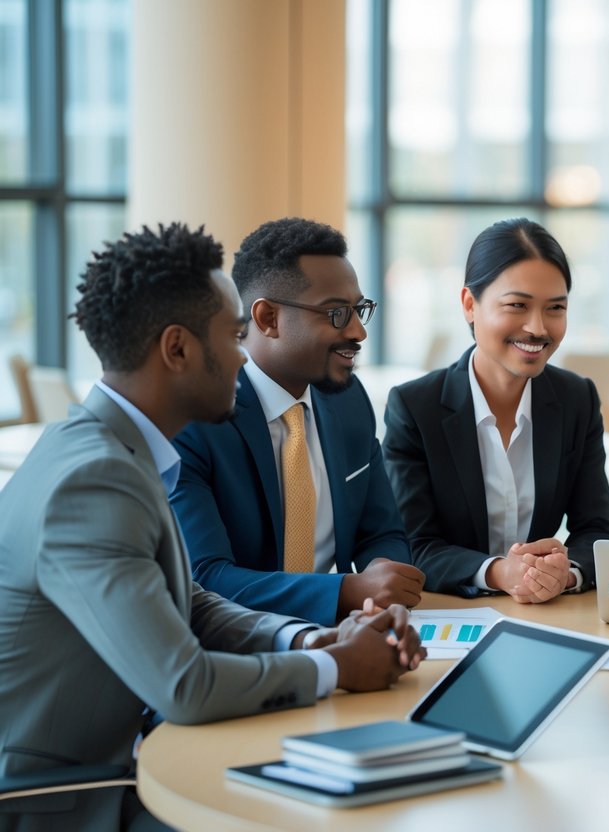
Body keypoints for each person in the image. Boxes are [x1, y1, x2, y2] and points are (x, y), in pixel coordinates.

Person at [0, 224, 424, 831]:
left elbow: (190, 603)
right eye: (231, 336)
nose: (242, 354)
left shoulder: (107, 449)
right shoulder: (92, 479)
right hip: (66, 801)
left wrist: (308, 641)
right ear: (177, 349)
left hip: (118, 768)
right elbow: (185, 685)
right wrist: (336, 668)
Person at [171, 218, 424, 625]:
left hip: (345, 635)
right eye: (337, 313)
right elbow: (204, 578)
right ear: (268, 318)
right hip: (238, 647)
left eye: (359, 310)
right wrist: (346, 592)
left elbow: (381, 532)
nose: (358, 331)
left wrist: (384, 585)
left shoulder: (349, 400)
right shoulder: (195, 421)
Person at [383, 217, 609, 600]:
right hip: (449, 613)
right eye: (517, 305)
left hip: (547, 613)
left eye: (555, 308)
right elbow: (413, 545)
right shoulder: (415, 408)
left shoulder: (577, 399)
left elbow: (596, 530)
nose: (538, 328)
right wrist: (498, 572)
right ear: (470, 305)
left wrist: (565, 573)